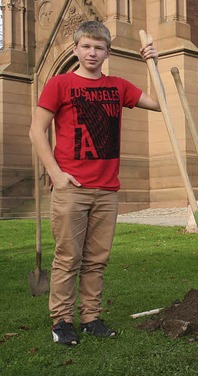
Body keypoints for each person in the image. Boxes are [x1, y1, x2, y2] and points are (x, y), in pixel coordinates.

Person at [29, 21, 161, 345]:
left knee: (97, 259)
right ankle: (61, 321)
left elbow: (159, 103)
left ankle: (91, 317)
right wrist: (57, 175)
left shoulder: (118, 86)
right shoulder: (59, 85)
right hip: (72, 188)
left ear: (107, 53)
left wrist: (152, 63)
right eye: (86, 46)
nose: (92, 52)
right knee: (68, 257)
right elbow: (36, 131)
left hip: (107, 190)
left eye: (98, 47)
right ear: (75, 49)